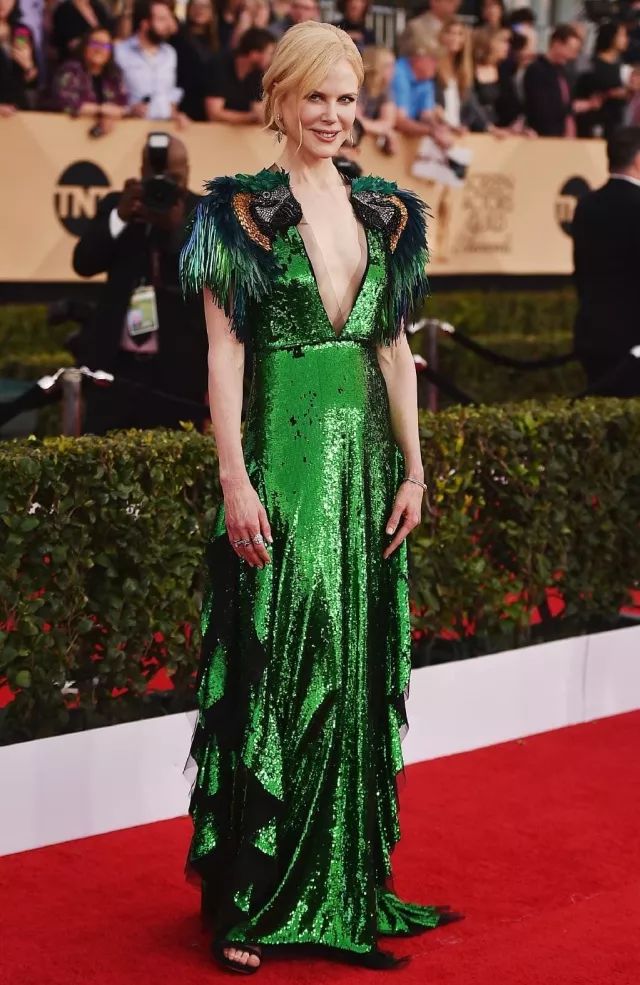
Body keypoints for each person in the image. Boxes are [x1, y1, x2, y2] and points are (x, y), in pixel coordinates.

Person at [179, 18, 460, 975]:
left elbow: (393, 350)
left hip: (367, 469)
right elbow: (224, 355)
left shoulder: (387, 213)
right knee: (281, 660)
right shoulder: (237, 215)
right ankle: (252, 900)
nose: (333, 114)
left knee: (353, 662)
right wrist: (234, 476)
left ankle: (342, 888)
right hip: (283, 461)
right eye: (316, 97)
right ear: (280, 100)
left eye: (345, 98)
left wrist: (414, 469)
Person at [72, 133, 208, 433]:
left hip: (178, 371)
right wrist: (120, 218)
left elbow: (212, 277)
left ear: (187, 171)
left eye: (173, 177)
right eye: (156, 176)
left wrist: (176, 231)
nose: (163, 185)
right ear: (142, 171)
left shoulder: (204, 212)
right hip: (115, 367)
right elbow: (84, 263)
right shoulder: (118, 205)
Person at [571, 126, 640, 395]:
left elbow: (581, 274)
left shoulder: (587, 204)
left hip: (592, 335)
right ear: (638, 159)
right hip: (634, 343)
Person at [114, 0, 185, 123]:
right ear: (145, 23)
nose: (168, 25)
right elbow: (110, 91)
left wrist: (175, 114)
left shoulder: (169, 53)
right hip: (130, 125)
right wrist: (127, 109)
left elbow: (170, 91)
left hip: (165, 126)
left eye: (169, 19)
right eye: (162, 19)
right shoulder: (120, 51)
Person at [50, 26, 128, 125]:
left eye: (105, 46)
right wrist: (100, 110)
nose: (99, 49)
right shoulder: (71, 70)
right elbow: (65, 103)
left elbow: (121, 105)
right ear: (85, 46)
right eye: (95, 44)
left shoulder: (114, 75)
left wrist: (119, 114)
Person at [523, 23, 583, 136]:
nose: (572, 56)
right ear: (557, 44)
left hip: (564, 134)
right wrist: (571, 108)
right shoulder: (536, 70)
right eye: (570, 49)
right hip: (543, 135)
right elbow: (541, 108)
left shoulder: (564, 72)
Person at [204, 25, 273, 123]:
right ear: (254, 54)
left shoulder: (257, 74)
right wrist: (251, 117)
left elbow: (258, 109)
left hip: (240, 130)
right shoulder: (219, 67)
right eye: (270, 53)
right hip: (203, 129)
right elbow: (214, 114)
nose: (272, 58)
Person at [392, 35, 440, 136]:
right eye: (433, 59)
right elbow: (399, 121)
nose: (437, 64)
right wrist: (432, 132)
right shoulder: (397, 73)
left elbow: (426, 116)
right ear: (417, 58)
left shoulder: (426, 78)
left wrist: (443, 128)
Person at [356, 44, 398, 152]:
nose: (394, 70)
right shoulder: (358, 86)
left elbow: (388, 122)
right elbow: (355, 122)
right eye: (389, 66)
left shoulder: (385, 89)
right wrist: (384, 130)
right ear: (376, 67)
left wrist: (383, 129)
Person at [0, 0, 38, 108]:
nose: (2, 3)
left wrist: (29, 67)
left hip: (18, 107)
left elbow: (32, 83)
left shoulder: (21, 31)